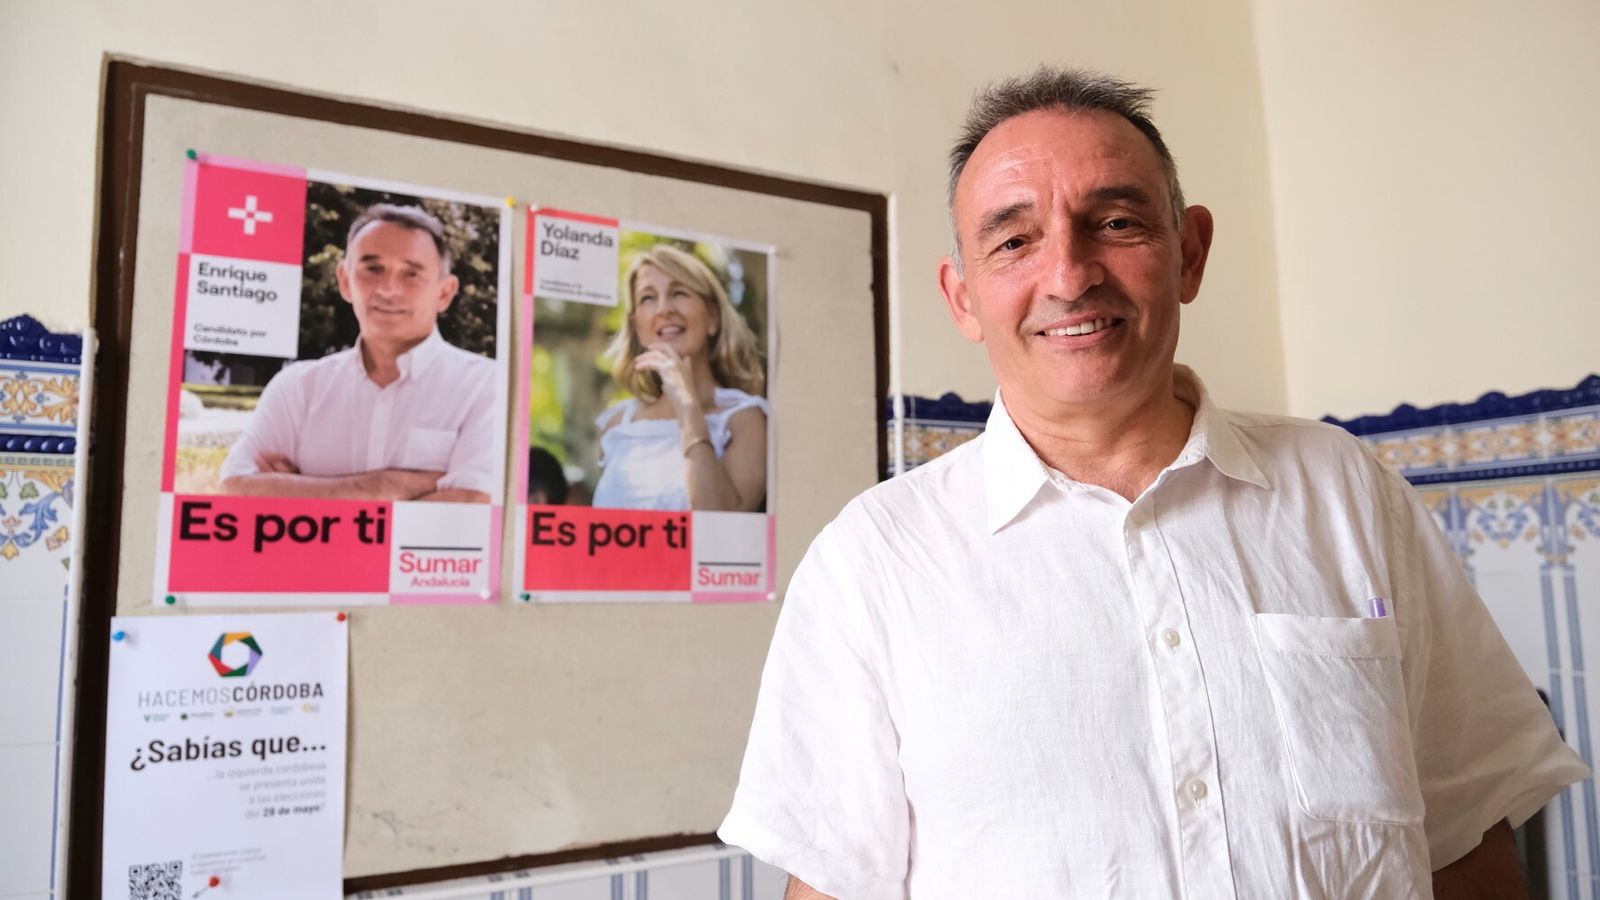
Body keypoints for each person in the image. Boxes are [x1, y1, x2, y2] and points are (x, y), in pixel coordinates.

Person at [718, 67, 1588, 899]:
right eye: (1015, 240)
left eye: (1117, 222)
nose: (1069, 275)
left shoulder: (1346, 490)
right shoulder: (873, 563)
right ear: (963, 298)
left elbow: (1467, 836)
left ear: (1191, 253)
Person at [219, 203, 497, 503]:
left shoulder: (488, 385)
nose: (389, 289)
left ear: (445, 292)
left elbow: (470, 505)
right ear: (345, 280)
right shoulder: (297, 388)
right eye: (373, 269)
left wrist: (300, 493)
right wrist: (387, 488)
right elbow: (237, 489)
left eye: (412, 274)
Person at [590, 243, 768, 511]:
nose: (664, 309)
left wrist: (688, 408)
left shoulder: (746, 419)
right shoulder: (617, 423)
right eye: (648, 298)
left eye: (679, 293)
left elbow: (719, 524)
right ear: (637, 326)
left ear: (713, 318)